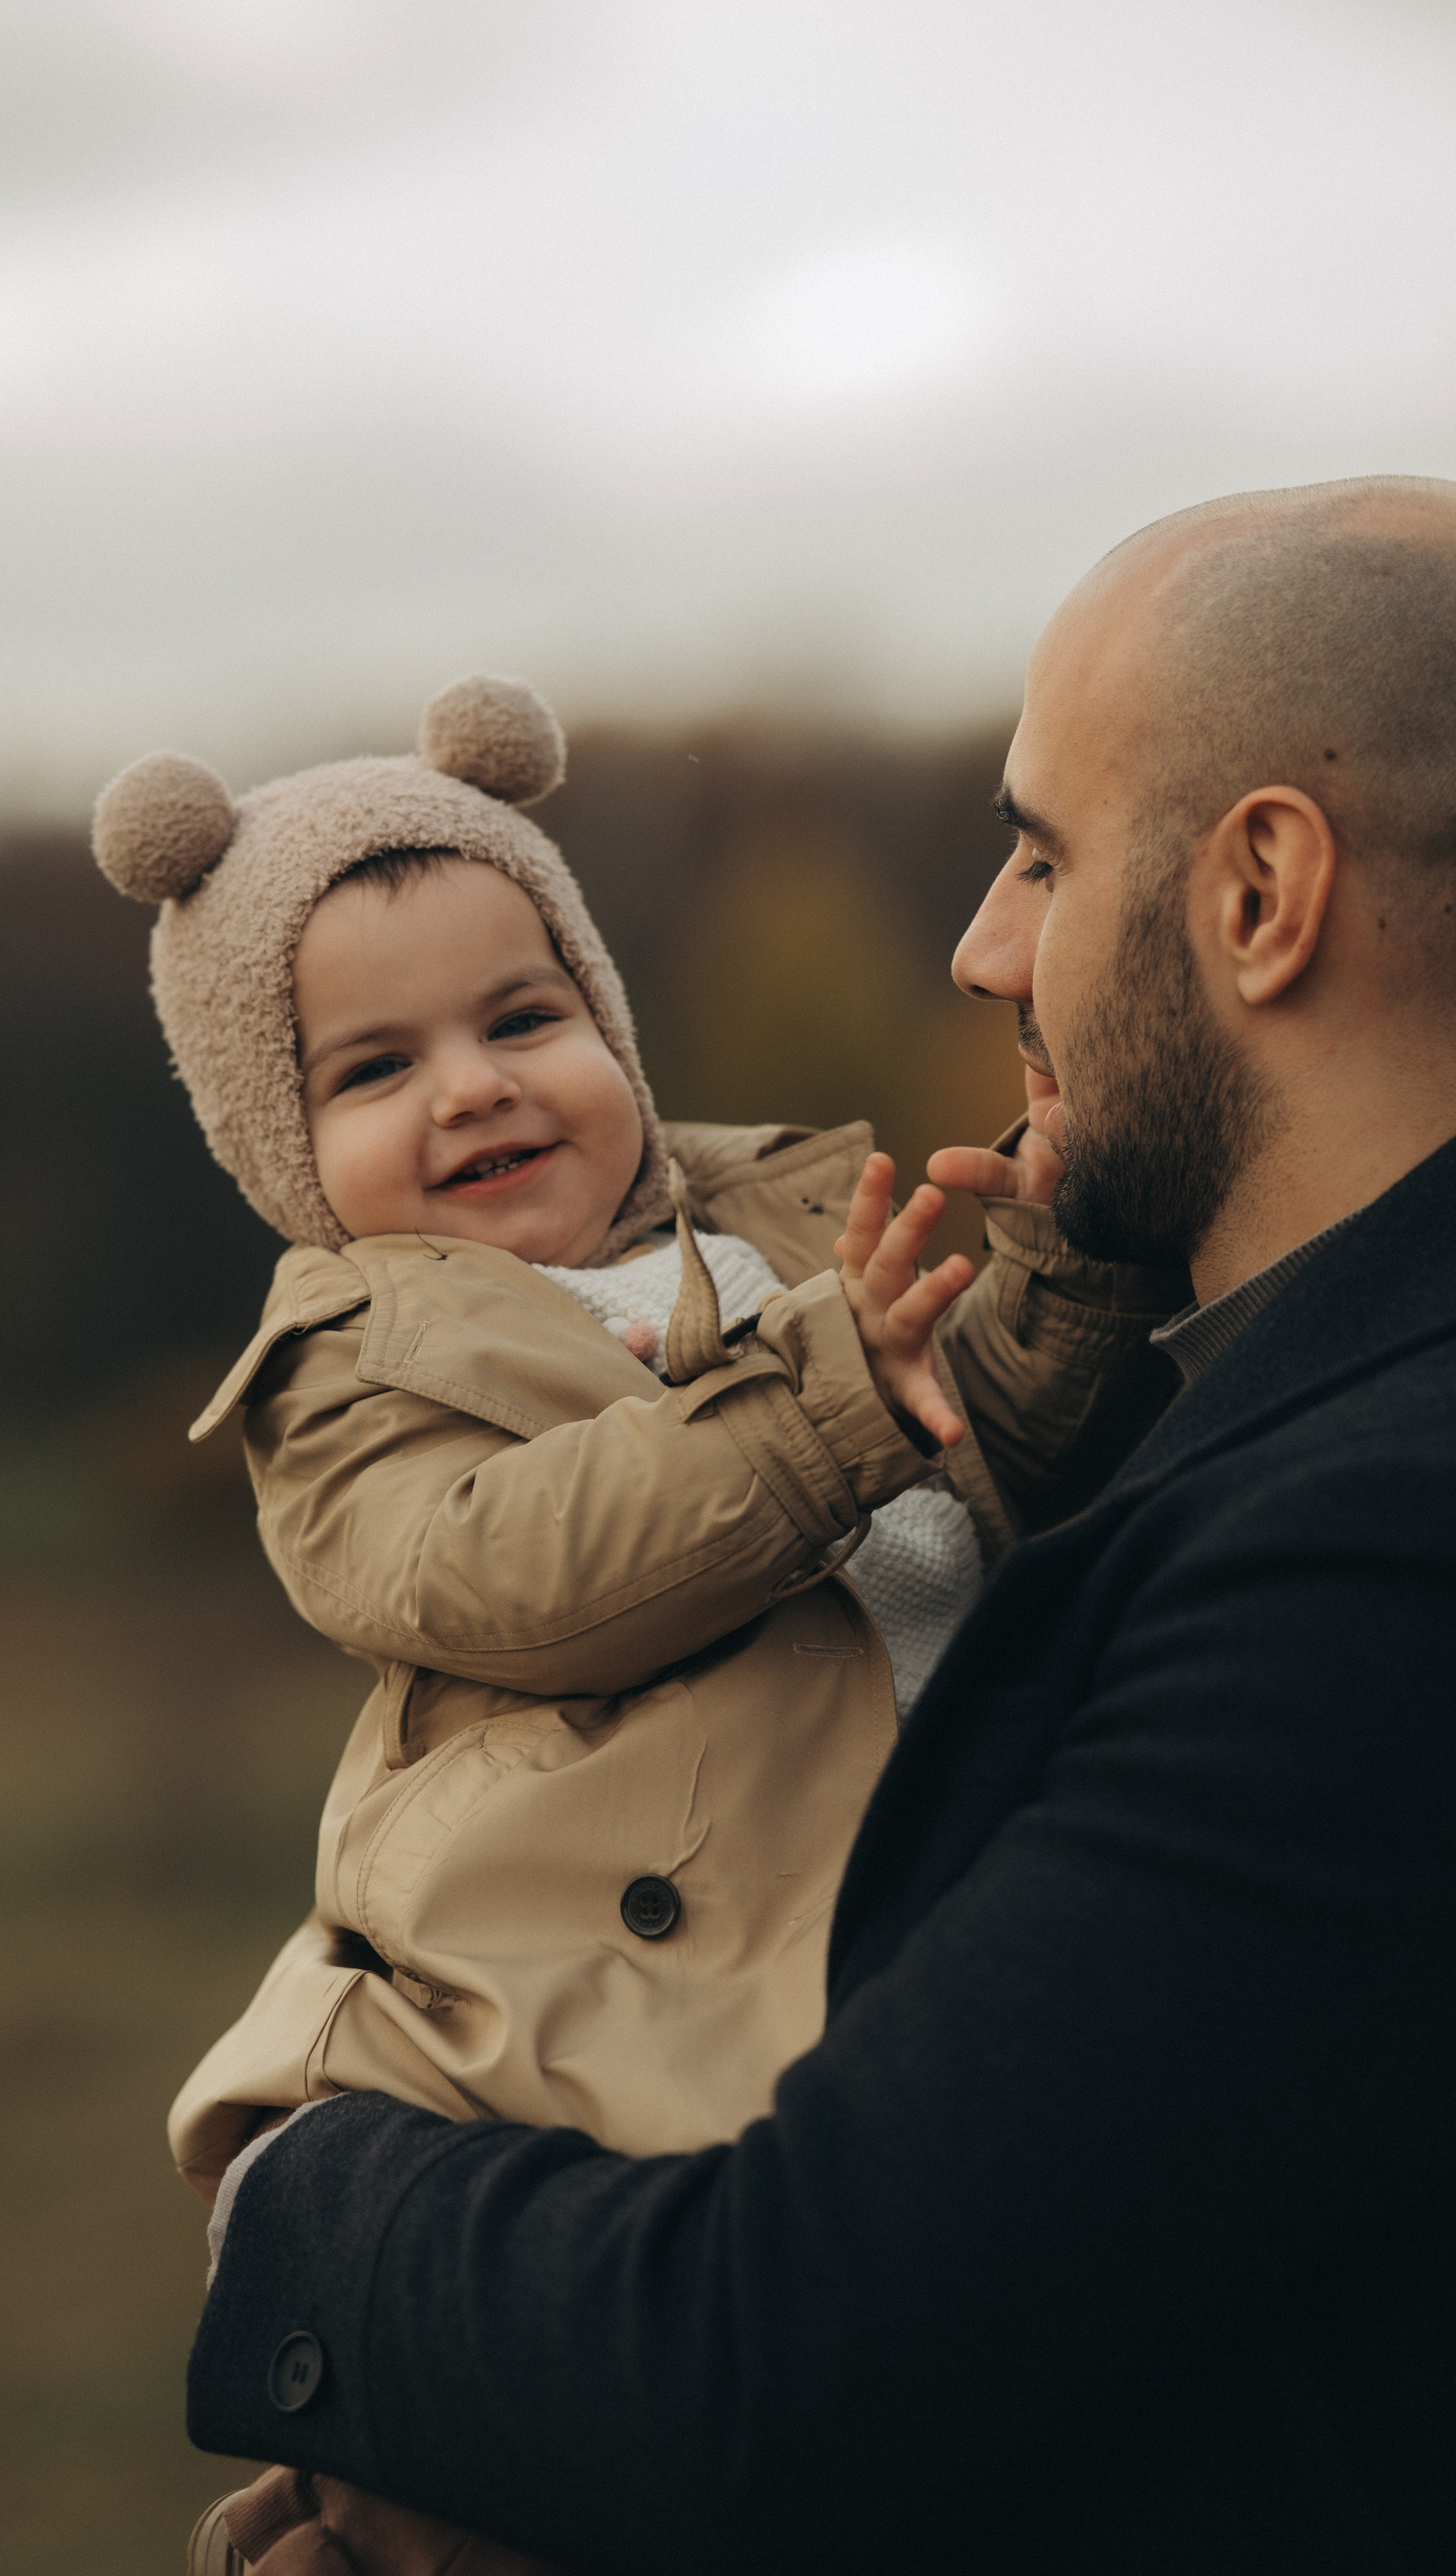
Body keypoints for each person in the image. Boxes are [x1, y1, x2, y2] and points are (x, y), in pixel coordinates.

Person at [181, 476, 1456, 2575]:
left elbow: (779, 2365)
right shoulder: (1298, 1415)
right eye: (379, 1067)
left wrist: (290, 2203)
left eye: (1041, 854)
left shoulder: (1373, 1559)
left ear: (1261, 894)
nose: (980, 948)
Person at [91, 676, 1180, 2573]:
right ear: (281, 1144)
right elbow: (521, 1572)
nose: (475, 1085)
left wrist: (1069, 1274)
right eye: (375, 1070)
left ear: (606, 1014)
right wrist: (828, 1398)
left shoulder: (783, 1232)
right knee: (534, 2473)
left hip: (888, 1957)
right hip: (561, 2036)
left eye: (524, 1018)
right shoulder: (350, 1374)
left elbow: (980, 1453)